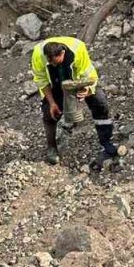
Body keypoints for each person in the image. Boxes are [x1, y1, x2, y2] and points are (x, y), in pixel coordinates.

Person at [31, 35, 119, 168]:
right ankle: (52, 147)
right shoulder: (38, 54)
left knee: (100, 104)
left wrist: (87, 90)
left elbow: (88, 75)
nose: (54, 64)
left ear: (63, 53)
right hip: (56, 82)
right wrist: (52, 103)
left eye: (57, 61)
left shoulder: (78, 48)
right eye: (51, 62)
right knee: (48, 112)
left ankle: (107, 142)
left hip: (77, 80)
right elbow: (41, 80)